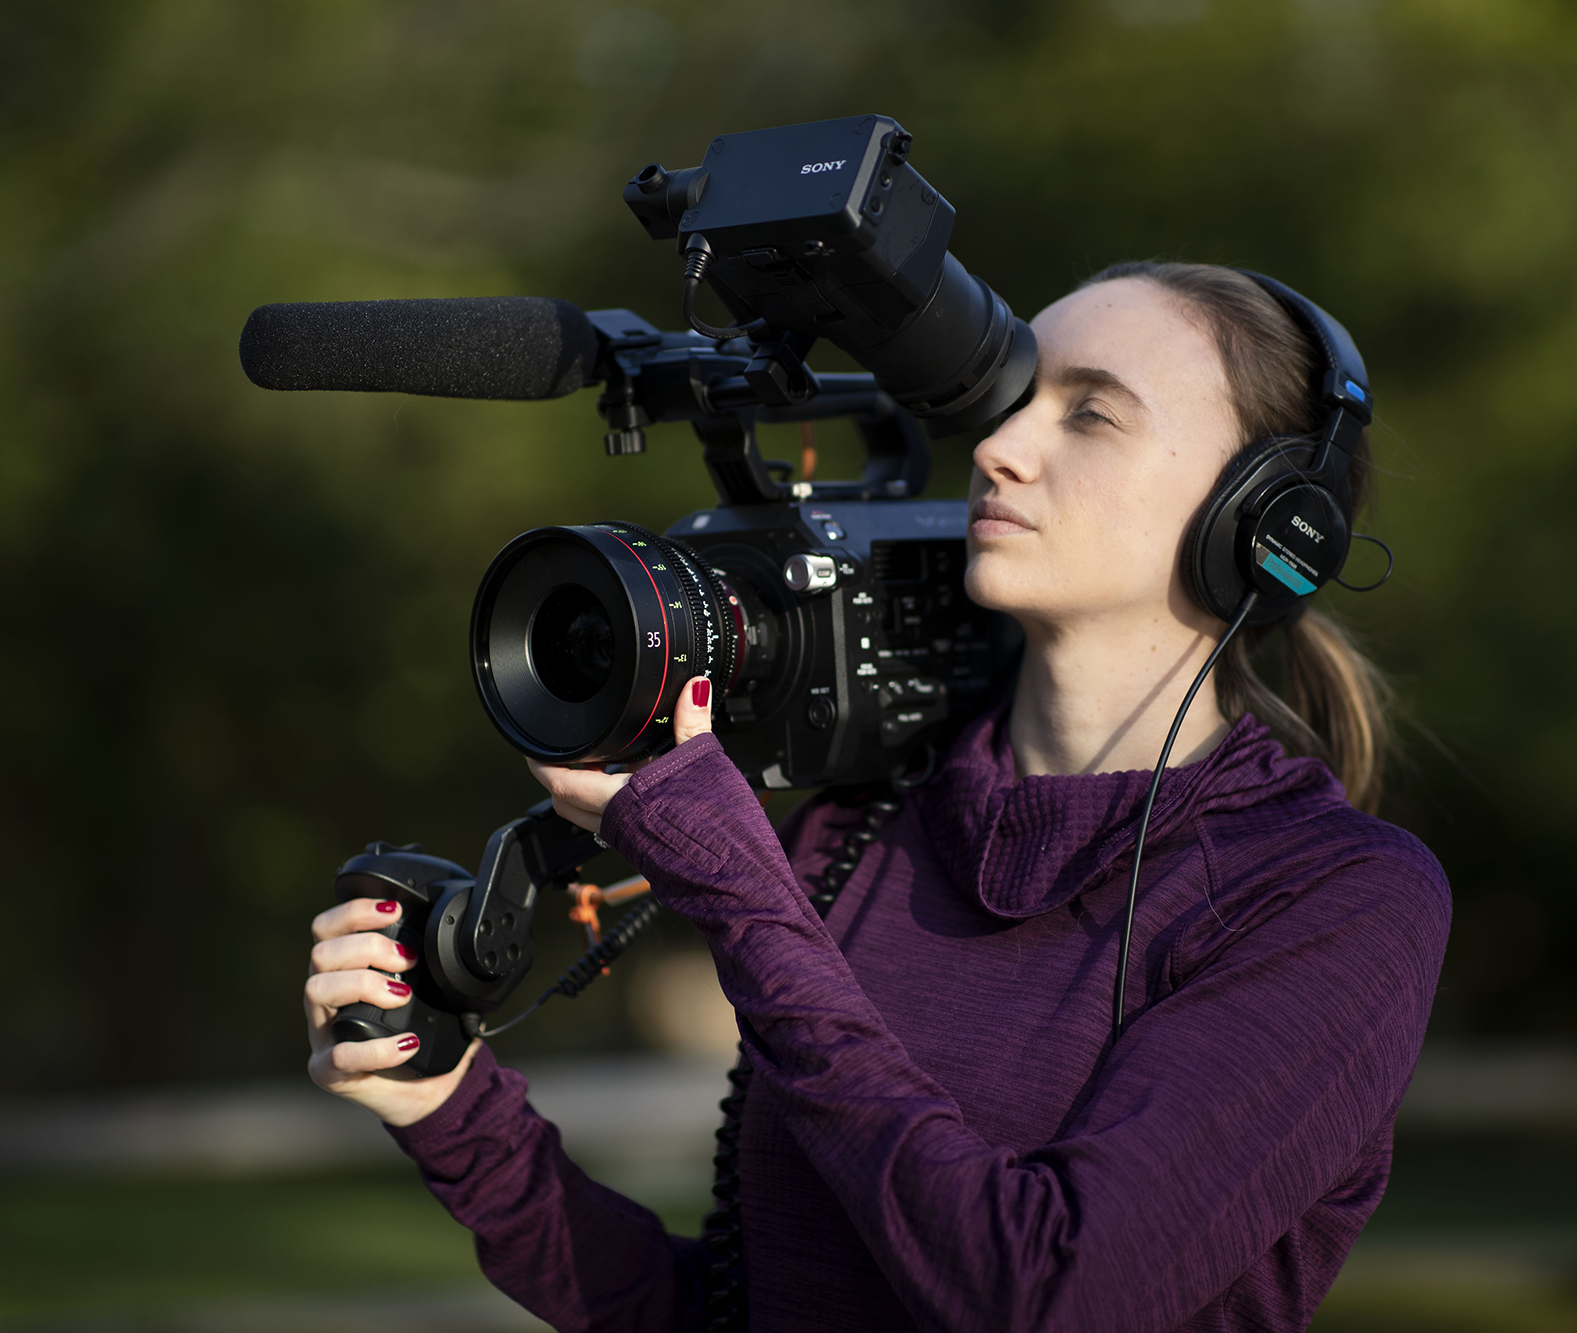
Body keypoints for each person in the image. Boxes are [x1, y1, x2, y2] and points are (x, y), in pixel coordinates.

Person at [302, 262, 1451, 1332]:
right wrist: (449, 1105)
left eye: (1089, 412)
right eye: (1012, 399)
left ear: (1268, 519)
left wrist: (738, 884)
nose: (999, 448)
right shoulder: (870, 830)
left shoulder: (1337, 897)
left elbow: (1050, 1291)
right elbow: (746, 1307)